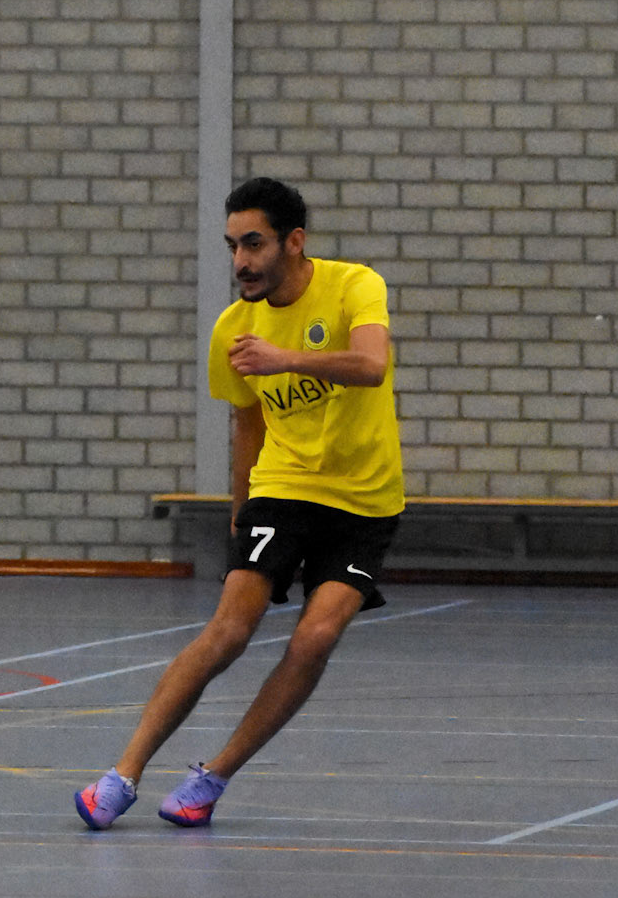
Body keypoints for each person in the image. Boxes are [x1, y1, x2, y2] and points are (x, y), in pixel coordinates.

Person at [75, 176, 404, 830]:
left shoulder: (354, 286)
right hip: (282, 489)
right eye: (232, 247)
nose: (241, 262)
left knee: (314, 639)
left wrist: (285, 359)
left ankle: (212, 777)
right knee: (228, 631)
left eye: (253, 244)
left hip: (365, 502)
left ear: (293, 241)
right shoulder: (233, 329)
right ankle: (121, 775)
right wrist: (239, 510)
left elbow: (371, 366)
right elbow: (247, 424)